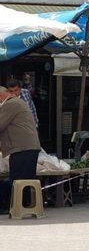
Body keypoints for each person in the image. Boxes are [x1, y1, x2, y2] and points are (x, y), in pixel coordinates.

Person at [0, 86, 42, 214]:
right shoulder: (17, 102)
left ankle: (14, 207)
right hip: (27, 147)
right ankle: (26, 206)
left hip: (22, 148)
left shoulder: (10, 104)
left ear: (2, 95)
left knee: (17, 180)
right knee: (25, 179)